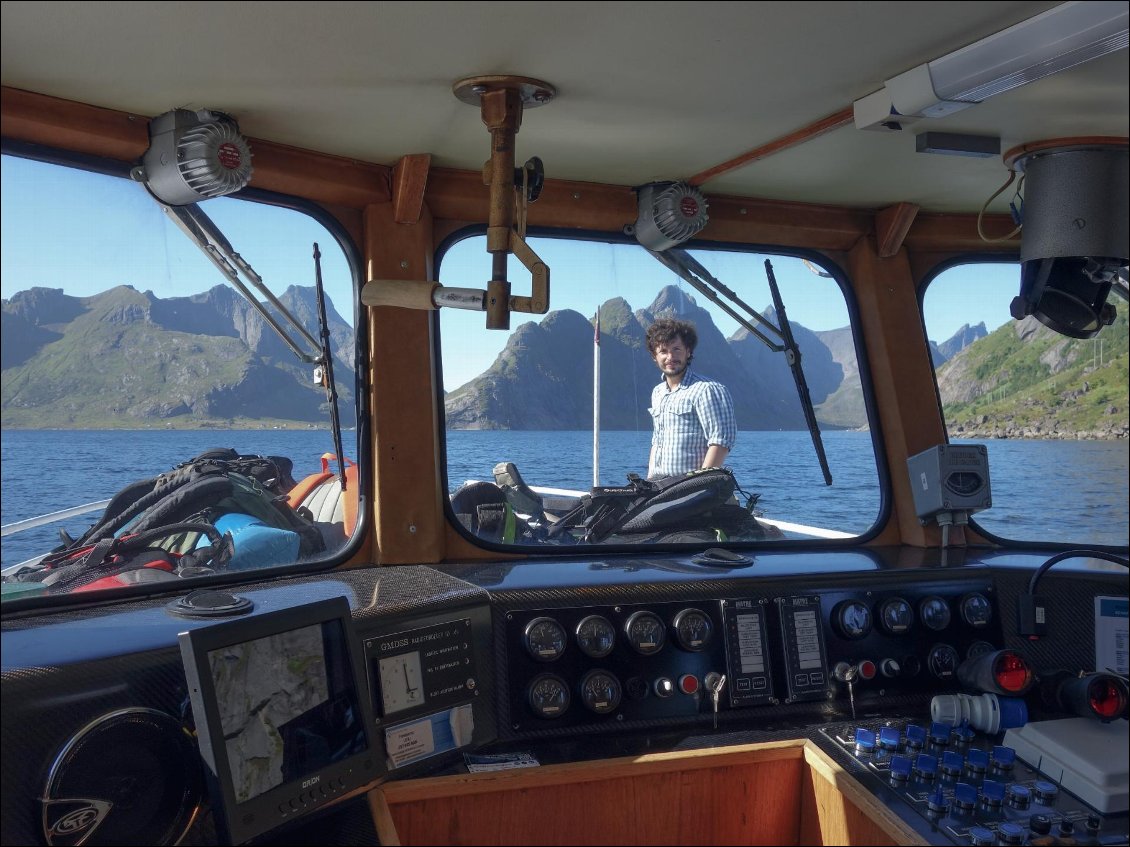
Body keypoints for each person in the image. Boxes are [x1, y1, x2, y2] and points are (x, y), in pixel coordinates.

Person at [645, 317, 736, 478]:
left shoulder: (707, 390)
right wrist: (650, 480)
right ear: (654, 356)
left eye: (676, 349)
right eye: (663, 351)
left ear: (688, 351)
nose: (670, 357)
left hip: (691, 490)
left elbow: (721, 441)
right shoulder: (657, 392)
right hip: (660, 487)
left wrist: (699, 484)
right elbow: (656, 441)